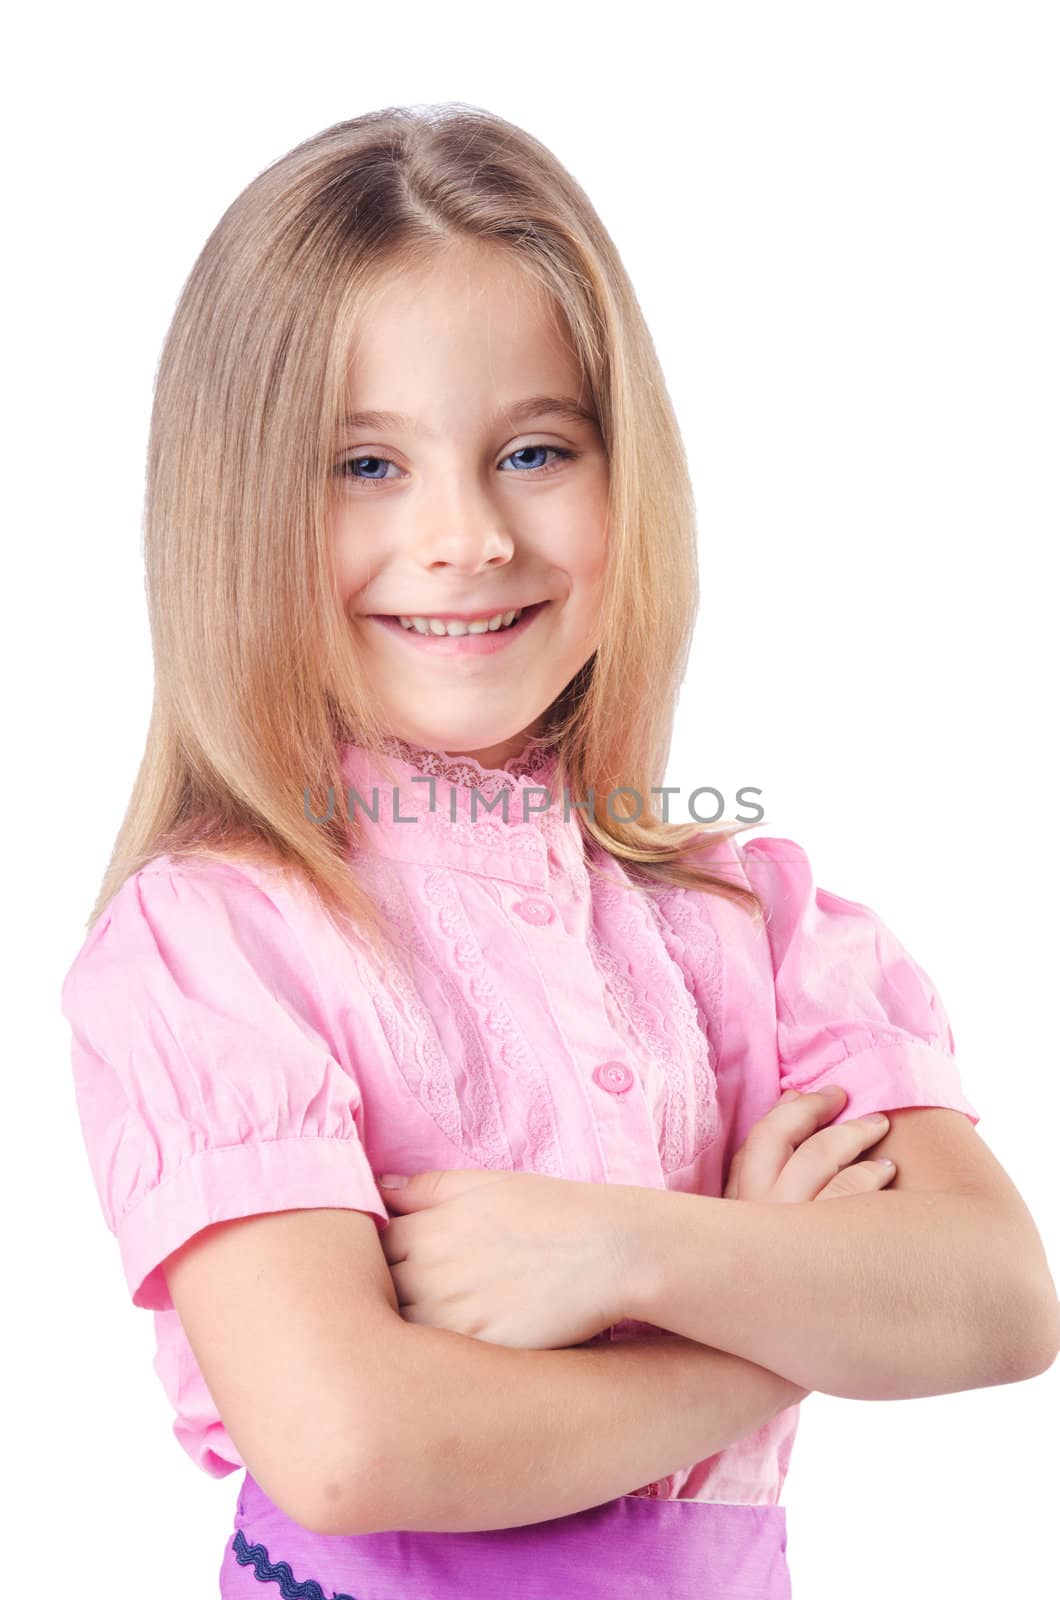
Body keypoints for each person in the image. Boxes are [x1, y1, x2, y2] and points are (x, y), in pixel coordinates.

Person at [58, 103, 1057, 1599]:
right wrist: (758, 1344)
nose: (465, 536)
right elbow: (349, 1441)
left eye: (533, 448)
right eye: (366, 466)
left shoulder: (750, 918)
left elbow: (991, 1299)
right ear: (236, 505)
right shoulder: (216, 939)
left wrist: (624, 1254)